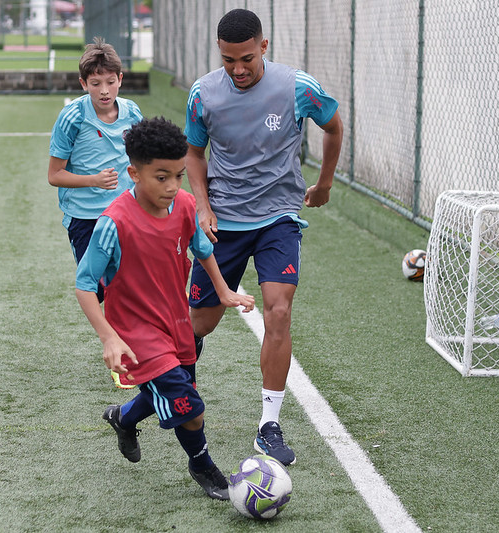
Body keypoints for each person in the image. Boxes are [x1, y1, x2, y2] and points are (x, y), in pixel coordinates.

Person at [184, 8, 344, 466]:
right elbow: (194, 153)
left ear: (264, 47)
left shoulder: (297, 87)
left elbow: (333, 126)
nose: (238, 69)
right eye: (228, 60)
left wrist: (324, 183)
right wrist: (203, 205)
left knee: (279, 310)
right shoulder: (203, 94)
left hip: (278, 219)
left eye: (247, 59)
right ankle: (179, 392)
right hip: (224, 222)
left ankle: (269, 426)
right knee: (199, 325)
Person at [75, 117, 256, 500]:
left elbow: (202, 249)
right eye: (162, 178)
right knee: (191, 408)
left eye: (178, 175)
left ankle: (123, 418)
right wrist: (108, 337)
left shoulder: (185, 205)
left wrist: (223, 291)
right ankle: (203, 467)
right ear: (134, 174)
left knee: (174, 389)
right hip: (136, 335)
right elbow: (85, 285)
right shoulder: (114, 223)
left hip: (177, 324)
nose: (173, 186)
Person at [48, 37, 143, 389]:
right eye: (95, 83)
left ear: (120, 79)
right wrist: (94, 180)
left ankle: (126, 357)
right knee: (100, 290)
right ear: (83, 83)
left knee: (127, 285)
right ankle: (115, 343)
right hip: (86, 220)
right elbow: (54, 175)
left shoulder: (132, 113)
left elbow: (143, 160)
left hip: (126, 215)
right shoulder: (72, 118)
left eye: (110, 82)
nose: (104, 90)